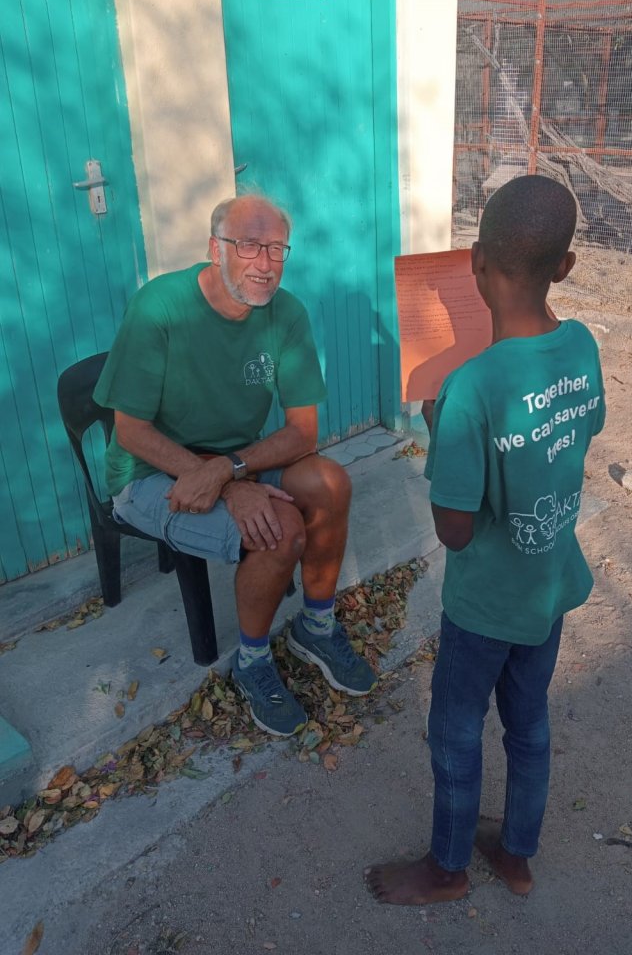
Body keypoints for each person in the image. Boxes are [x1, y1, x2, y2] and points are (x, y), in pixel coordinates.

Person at [366, 174, 605, 904]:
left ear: (473, 263)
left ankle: (445, 870)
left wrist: (445, 435)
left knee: (456, 730)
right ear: (564, 268)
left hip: (485, 603)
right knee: (528, 722)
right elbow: (577, 433)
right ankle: (516, 854)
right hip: (550, 583)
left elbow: (455, 530)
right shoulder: (582, 345)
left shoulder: (470, 388)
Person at [94, 192, 376, 737]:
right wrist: (226, 484)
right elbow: (130, 430)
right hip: (150, 474)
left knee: (332, 483)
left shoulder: (286, 314)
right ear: (214, 247)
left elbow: (303, 432)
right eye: (249, 246)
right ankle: (251, 662)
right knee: (281, 532)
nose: (265, 264)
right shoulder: (160, 307)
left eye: (277, 249)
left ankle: (315, 627)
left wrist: (231, 470)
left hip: (228, 463)